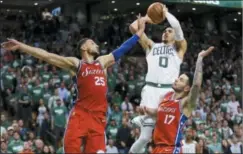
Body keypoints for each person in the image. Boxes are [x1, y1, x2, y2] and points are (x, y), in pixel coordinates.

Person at [1, 15, 146, 153]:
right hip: (81, 115)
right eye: (92, 43)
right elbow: (47, 56)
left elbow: (122, 49)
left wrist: (138, 34)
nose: (96, 45)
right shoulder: (76, 63)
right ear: (84, 47)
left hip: (98, 118)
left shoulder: (102, 62)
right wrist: (21, 46)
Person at [129, 4, 187, 153]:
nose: (166, 32)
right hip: (150, 89)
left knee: (166, 134)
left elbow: (177, 26)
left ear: (175, 36)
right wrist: (148, 18)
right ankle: (143, 122)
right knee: (144, 138)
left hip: (168, 92)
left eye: (169, 31)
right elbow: (133, 27)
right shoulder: (151, 46)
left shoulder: (180, 48)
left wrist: (165, 14)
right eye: (164, 30)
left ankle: (142, 120)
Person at [143, 47, 215, 153]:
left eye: (181, 80)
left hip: (171, 149)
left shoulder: (185, 103)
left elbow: (196, 85)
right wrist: (148, 110)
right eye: (178, 77)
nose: (176, 80)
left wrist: (199, 59)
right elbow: (160, 115)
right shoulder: (166, 96)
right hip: (157, 147)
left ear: (186, 88)